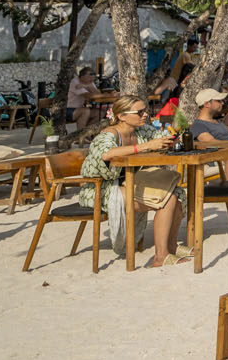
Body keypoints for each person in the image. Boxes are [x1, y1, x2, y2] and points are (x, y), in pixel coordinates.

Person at [79, 95, 188, 268]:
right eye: (139, 112)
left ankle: (171, 246)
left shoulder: (141, 130)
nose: (145, 115)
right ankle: (160, 256)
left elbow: (160, 137)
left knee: (177, 193)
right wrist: (145, 147)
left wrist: (169, 139)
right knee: (167, 200)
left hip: (131, 183)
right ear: (121, 116)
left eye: (146, 110)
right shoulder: (108, 135)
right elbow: (106, 154)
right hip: (102, 188)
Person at [191, 87, 228, 182]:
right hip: (218, 157)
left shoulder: (217, 121)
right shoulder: (198, 125)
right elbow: (210, 142)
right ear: (207, 104)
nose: (222, 103)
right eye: (218, 101)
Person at [66, 67, 104, 133]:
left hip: (78, 109)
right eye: (89, 75)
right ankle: (79, 135)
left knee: (100, 113)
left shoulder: (89, 82)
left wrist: (88, 86)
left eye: (93, 75)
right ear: (82, 76)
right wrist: (89, 87)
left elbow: (98, 94)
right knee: (85, 111)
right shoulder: (75, 82)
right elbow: (88, 95)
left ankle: (87, 132)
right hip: (67, 110)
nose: (91, 78)